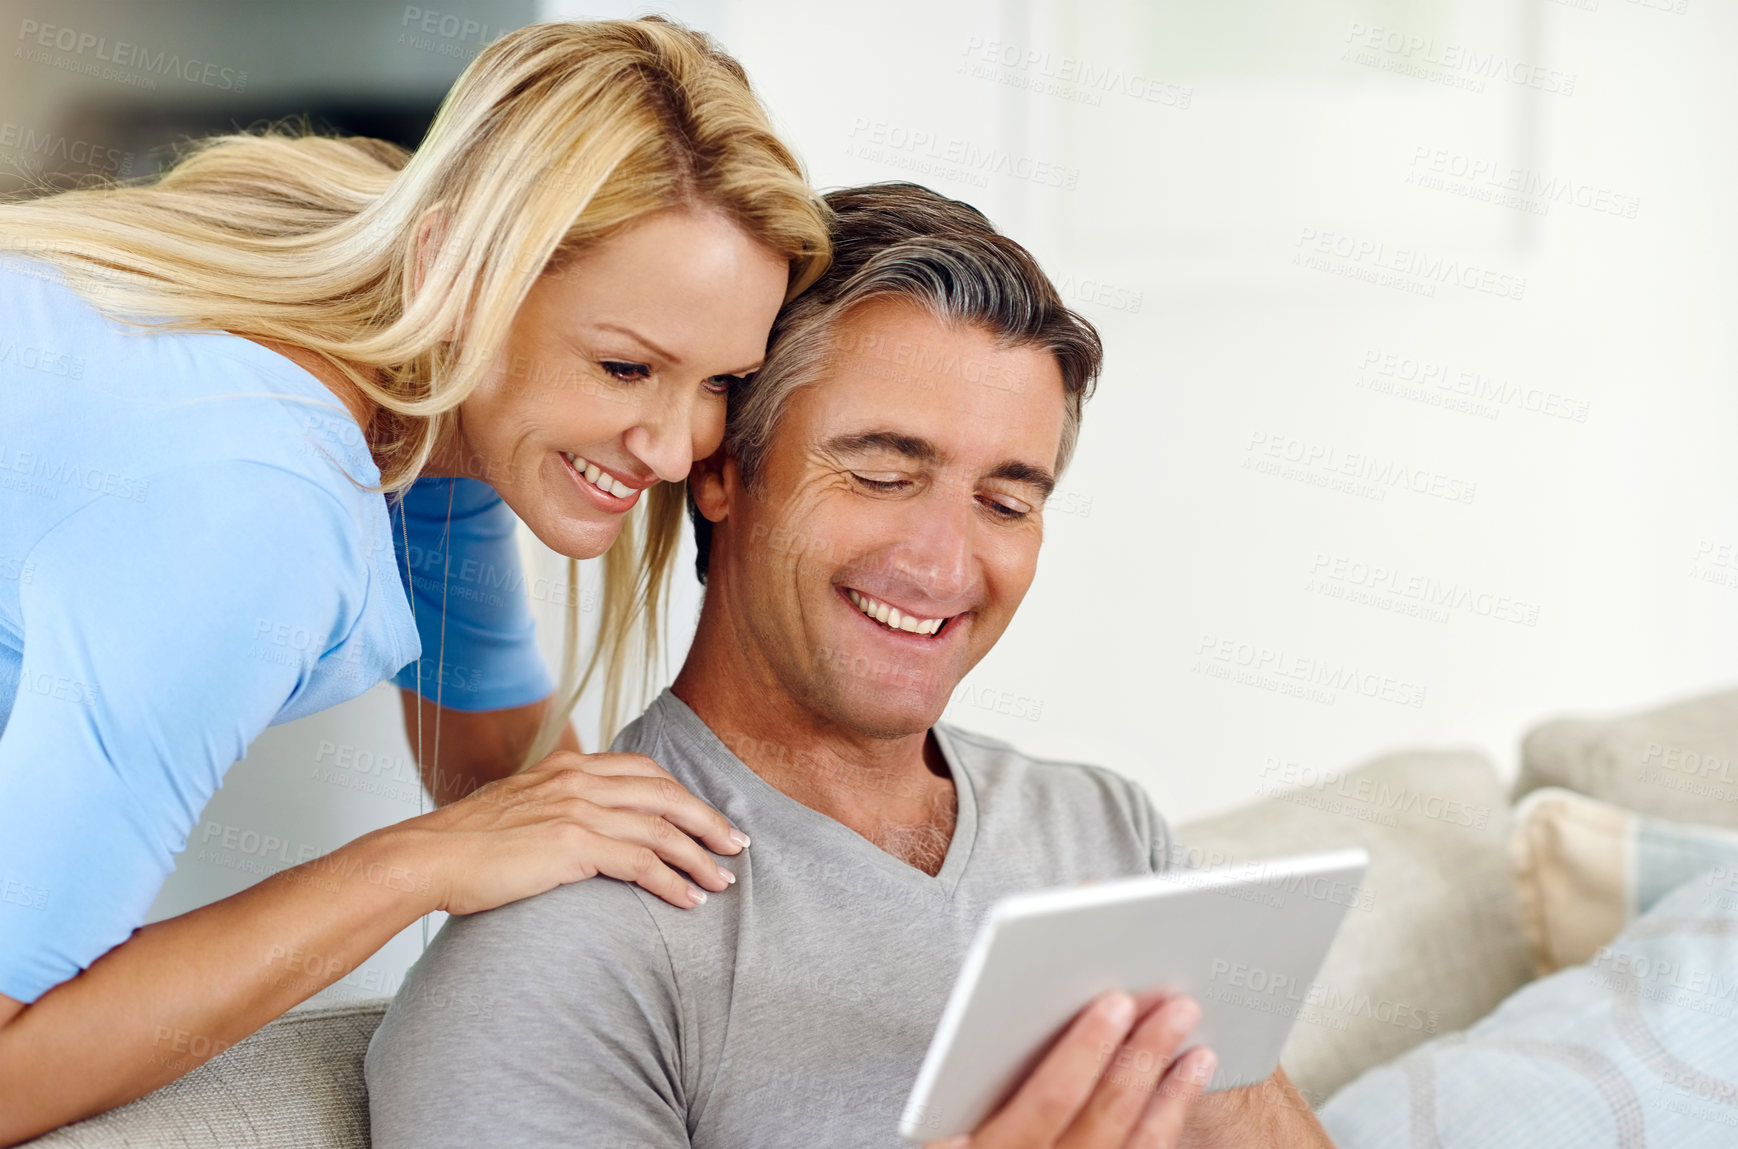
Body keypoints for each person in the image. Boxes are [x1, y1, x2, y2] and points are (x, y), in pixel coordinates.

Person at [365, 183, 1335, 1149]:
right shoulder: (564, 946)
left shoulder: (1101, 829)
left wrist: (1198, 1061)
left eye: (1005, 503)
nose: (944, 566)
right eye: (879, 474)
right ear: (720, 470)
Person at [0, 18, 830, 1146]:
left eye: (721, 382)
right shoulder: (256, 511)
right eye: (625, 366)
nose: (677, 448)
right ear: (455, 267)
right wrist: (412, 867)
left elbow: (508, 773)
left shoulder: (422, 366)